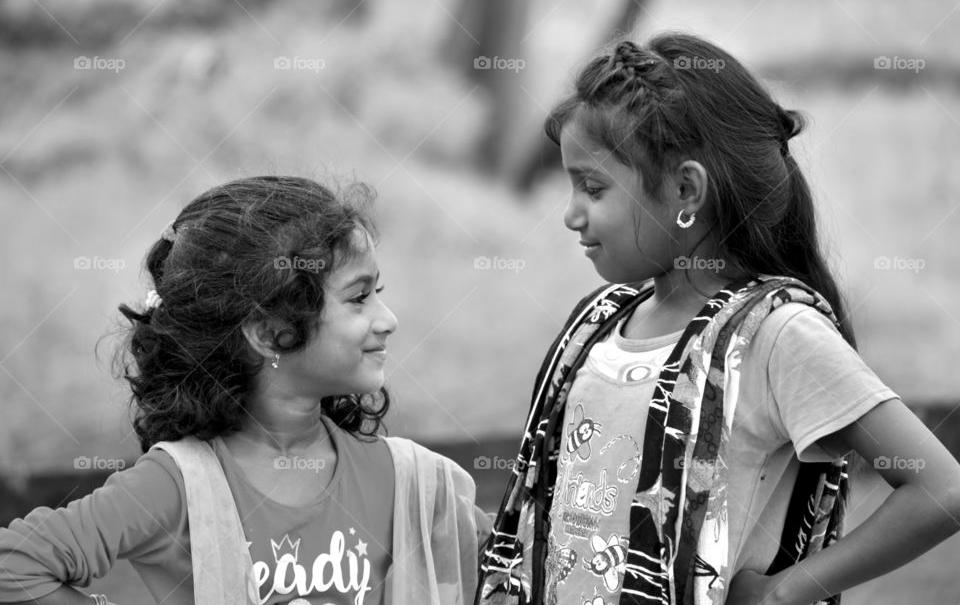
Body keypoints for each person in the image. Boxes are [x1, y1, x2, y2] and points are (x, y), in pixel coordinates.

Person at [476, 34, 960, 605]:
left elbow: (942, 488)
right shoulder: (598, 328)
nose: (570, 213)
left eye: (593, 186)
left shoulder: (776, 334)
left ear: (685, 189)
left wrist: (784, 593)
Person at [0, 175, 482, 605]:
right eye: (359, 298)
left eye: (379, 292)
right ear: (270, 333)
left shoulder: (408, 479)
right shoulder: (178, 486)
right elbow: (13, 565)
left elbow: (523, 558)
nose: (388, 319)